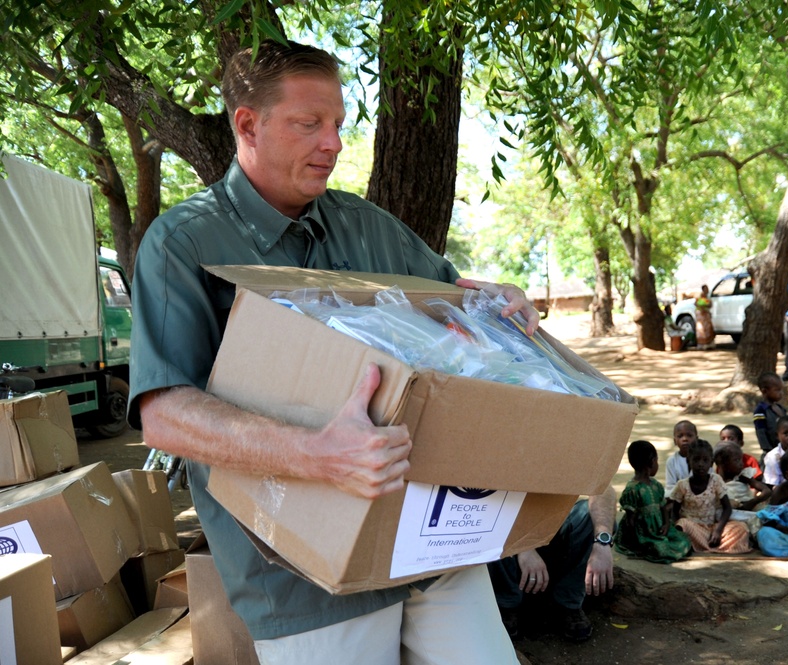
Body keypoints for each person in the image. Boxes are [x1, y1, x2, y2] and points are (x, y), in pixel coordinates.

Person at [127, 40, 540, 664]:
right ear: (248, 124)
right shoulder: (181, 244)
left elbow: (452, 301)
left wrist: (500, 302)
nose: (334, 143)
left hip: (425, 543)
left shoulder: (369, 226)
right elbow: (164, 414)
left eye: (339, 125)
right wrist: (316, 455)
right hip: (299, 575)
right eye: (308, 124)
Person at [488, 487, 617, 643]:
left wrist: (602, 542)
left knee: (590, 516)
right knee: (488, 514)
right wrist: (525, 547)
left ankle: (568, 602)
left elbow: (603, 489)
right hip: (510, 530)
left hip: (551, 529)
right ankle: (506, 604)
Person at [614, 440, 692, 565]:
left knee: (684, 540)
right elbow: (630, 521)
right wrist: (636, 543)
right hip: (642, 534)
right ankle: (650, 546)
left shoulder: (656, 486)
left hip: (658, 529)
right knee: (661, 549)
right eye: (656, 461)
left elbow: (663, 507)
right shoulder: (633, 490)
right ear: (651, 463)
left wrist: (666, 524)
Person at [669, 440, 752, 553]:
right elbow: (675, 511)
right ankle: (709, 546)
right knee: (682, 524)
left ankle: (700, 546)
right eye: (696, 460)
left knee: (741, 528)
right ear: (688, 461)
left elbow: (727, 508)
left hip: (712, 528)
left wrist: (718, 530)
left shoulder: (716, 480)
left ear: (711, 463)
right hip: (693, 529)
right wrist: (676, 529)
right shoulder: (682, 485)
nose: (700, 464)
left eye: (705, 460)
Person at [714, 442, 771, 522]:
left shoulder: (742, 476)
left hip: (750, 508)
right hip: (732, 512)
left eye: (741, 459)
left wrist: (752, 502)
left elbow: (767, 491)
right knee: (719, 513)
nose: (741, 464)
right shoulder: (714, 481)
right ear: (723, 463)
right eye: (736, 460)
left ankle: (758, 518)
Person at [753, 372, 787, 462]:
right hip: (771, 452)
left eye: (781, 390)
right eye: (777, 390)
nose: (781, 393)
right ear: (764, 391)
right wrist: (768, 450)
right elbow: (761, 432)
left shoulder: (781, 408)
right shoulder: (761, 411)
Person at [664, 421, 698, 494]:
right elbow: (670, 487)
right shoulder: (672, 461)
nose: (685, 439)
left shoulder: (703, 459)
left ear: (696, 439)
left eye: (689, 435)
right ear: (675, 441)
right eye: (680, 436)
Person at [694, 284, 716, 350]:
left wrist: (706, 308)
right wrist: (702, 308)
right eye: (706, 288)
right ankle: (702, 344)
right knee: (701, 329)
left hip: (706, 314)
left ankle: (708, 344)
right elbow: (696, 304)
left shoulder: (708, 297)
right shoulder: (699, 297)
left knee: (708, 329)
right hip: (701, 314)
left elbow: (710, 305)